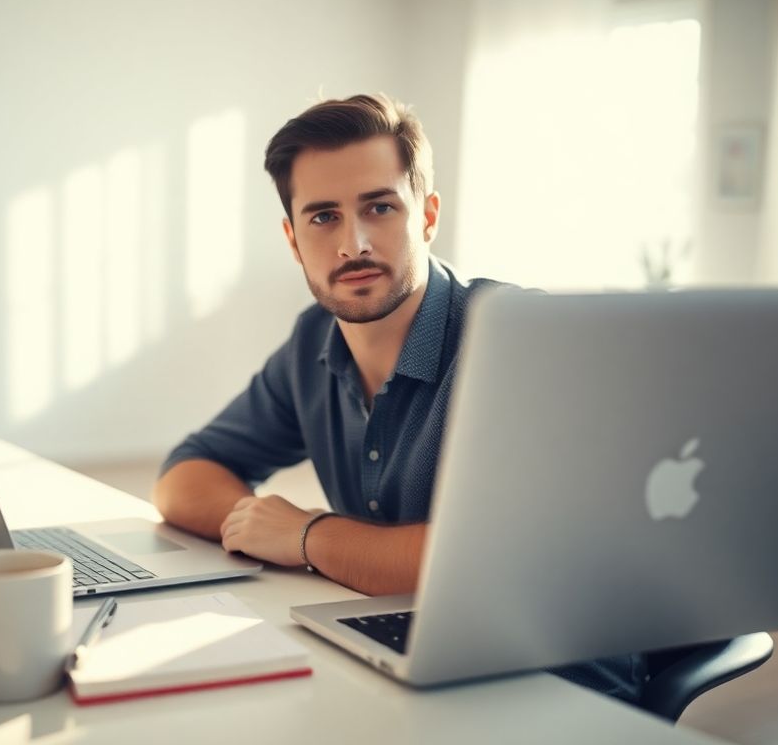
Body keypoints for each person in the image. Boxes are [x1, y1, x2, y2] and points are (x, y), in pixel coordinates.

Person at [152, 93, 645, 702]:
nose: (352, 244)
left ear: (428, 216)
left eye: (379, 207)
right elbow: (183, 476)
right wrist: (256, 524)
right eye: (323, 217)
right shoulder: (313, 339)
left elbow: (491, 563)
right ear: (292, 237)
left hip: (550, 684)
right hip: (403, 653)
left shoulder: (516, 335)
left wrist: (308, 535)